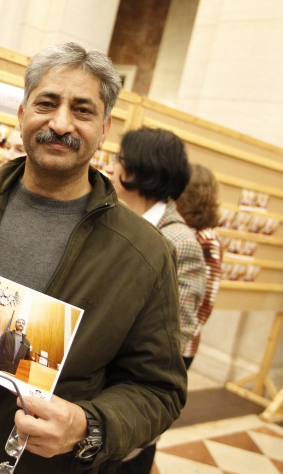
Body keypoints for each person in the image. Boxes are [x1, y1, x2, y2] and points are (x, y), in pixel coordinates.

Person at [0, 43, 187, 472]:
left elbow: (159, 390)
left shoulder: (145, 253)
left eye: (82, 110)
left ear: (105, 127)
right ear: (23, 113)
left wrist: (87, 425)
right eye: (47, 103)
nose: (61, 123)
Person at [101, 128, 206, 474]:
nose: (111, 168)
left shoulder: (180, 242)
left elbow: (174, 336)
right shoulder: (112, 216)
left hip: (126, 397)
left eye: (118, 161)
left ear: (131, 170)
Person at [176, 163, 223, 369]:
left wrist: (180, 337)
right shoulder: (179, 227)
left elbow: (205, 301)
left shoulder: (207, 240)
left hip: (179, 347)